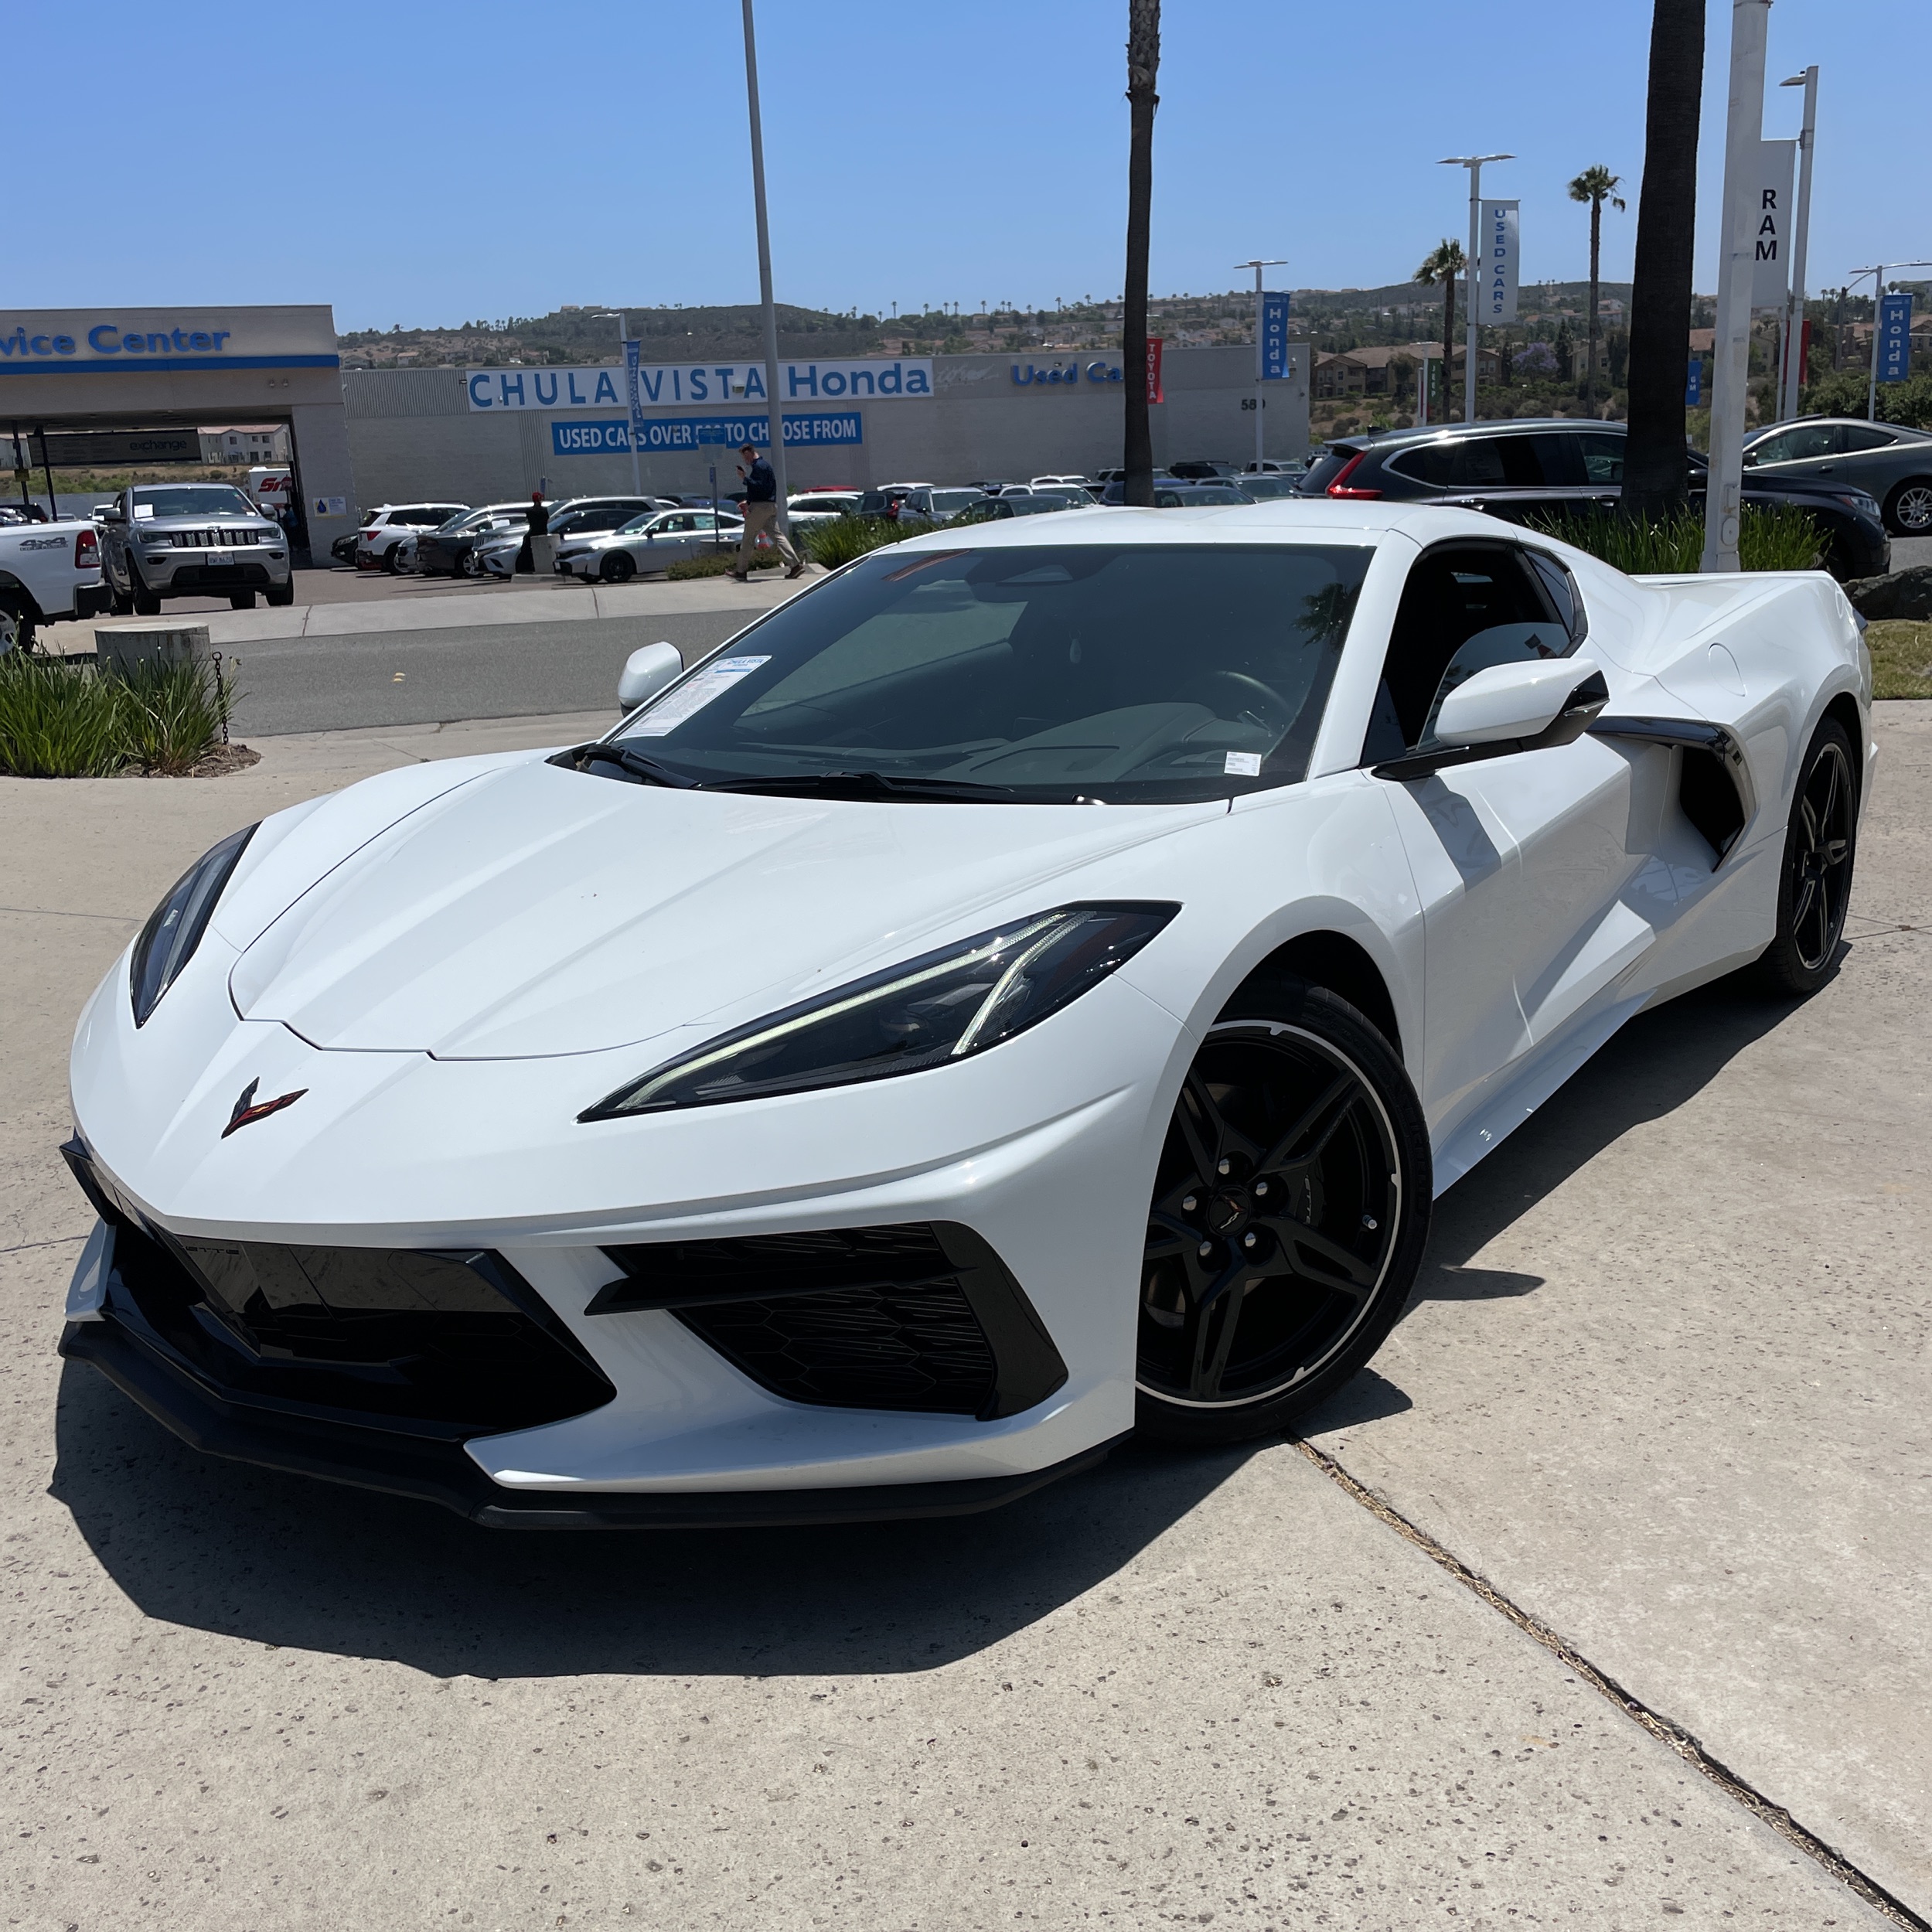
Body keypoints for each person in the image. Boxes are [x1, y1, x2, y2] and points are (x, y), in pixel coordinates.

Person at [731, 443, 805, 581]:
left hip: (760, 508)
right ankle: (795, 565)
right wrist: (748, 501)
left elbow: (759, 487)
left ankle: (741, 571)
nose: (745, 460)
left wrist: (744, 478)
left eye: (745, 457)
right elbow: (762, 489)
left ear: (749, 453)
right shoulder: (764, 466)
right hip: (769, 506)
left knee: (748, 538)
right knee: (777, 536)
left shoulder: (759, 467)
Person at [518, 489, 548, 574]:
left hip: (533, 532)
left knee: (525, 548)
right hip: (543, 532)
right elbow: (547, 521)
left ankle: (527, 564)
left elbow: (530, 522)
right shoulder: (544, 510)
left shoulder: (529, 511)